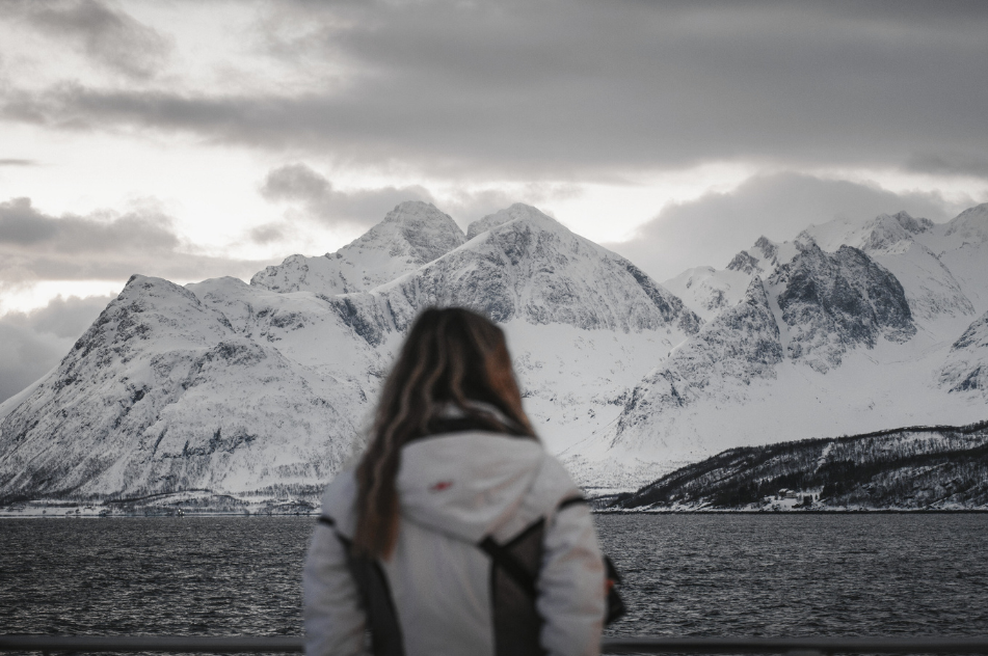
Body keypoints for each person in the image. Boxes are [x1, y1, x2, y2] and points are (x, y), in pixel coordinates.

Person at [303, 306, 606, 656]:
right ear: (500, 374)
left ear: (404, 375)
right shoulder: (544, 481)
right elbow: (576, 628)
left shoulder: (358, 492)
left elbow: (331, 639)